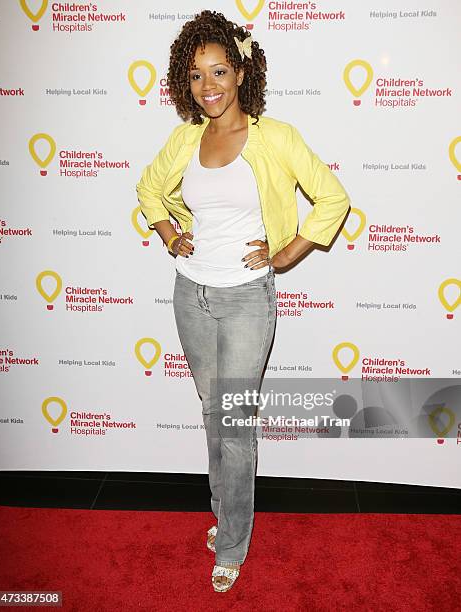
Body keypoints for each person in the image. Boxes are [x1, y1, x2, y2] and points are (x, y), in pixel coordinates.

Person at [136, 9, 350, 593]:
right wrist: (169, 231)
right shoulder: (184, 139)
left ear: (241, 72)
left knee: (234, 425)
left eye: (220, 72)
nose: (209, 87)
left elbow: (333, 199)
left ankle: (232, 542)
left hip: (246, 300)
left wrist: (285, 255)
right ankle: (226, 513)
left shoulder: (274, 136)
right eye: (197, 75)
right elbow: (148, 188)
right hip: (191, 294)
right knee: (214, 417)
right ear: (187, 80)